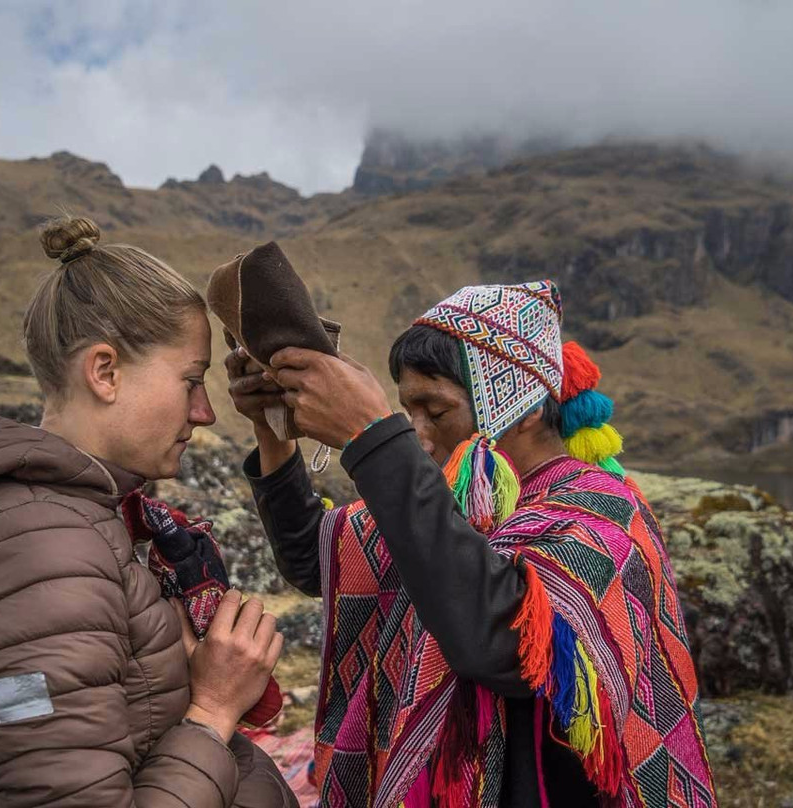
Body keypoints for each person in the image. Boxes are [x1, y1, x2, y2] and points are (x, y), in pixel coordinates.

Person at [229, 281, 717, 807]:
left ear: (524, 408)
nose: (418, 433)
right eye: (405, 413)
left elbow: (500, 640)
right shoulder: (454, 503)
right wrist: (272, 432)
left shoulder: (600, 513)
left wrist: (372, 437)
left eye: (435, 412)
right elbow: (314, 558)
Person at [0, 216, 298, 808]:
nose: (205, 412)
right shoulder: (33, 551)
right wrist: (212, 710)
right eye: (190, 381)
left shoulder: (82, 519)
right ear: (105, 372)